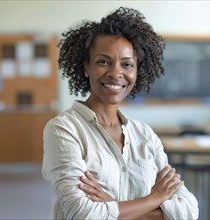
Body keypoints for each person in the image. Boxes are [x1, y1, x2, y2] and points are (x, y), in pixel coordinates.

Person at [42, 7, 199, 220]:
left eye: (127, 64)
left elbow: (188, 210)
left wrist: (111, 206)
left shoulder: (145, 135)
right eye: (103, 61)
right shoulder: (63, 129)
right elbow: (82, 214)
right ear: (86, 67)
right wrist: (154, 200)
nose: (116, 72)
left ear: (136, 72)